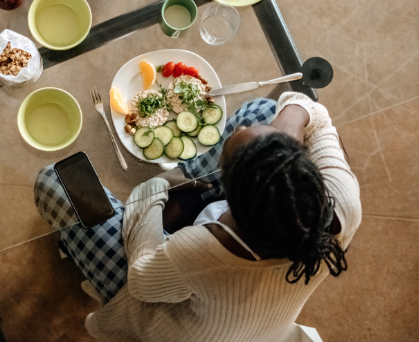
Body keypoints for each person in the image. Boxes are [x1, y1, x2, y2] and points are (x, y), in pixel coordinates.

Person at [34, 93, 361, 341]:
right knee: (264, 108)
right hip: (255, 315)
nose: (245, 128)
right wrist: (289, 121)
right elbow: (313, 112)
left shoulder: (204, 252)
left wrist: (156, 188)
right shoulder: (341, 203)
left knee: (59, 179)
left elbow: (142, 278)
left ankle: (171, 198)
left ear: (230, 203)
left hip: (164, 315)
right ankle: (190, 187)